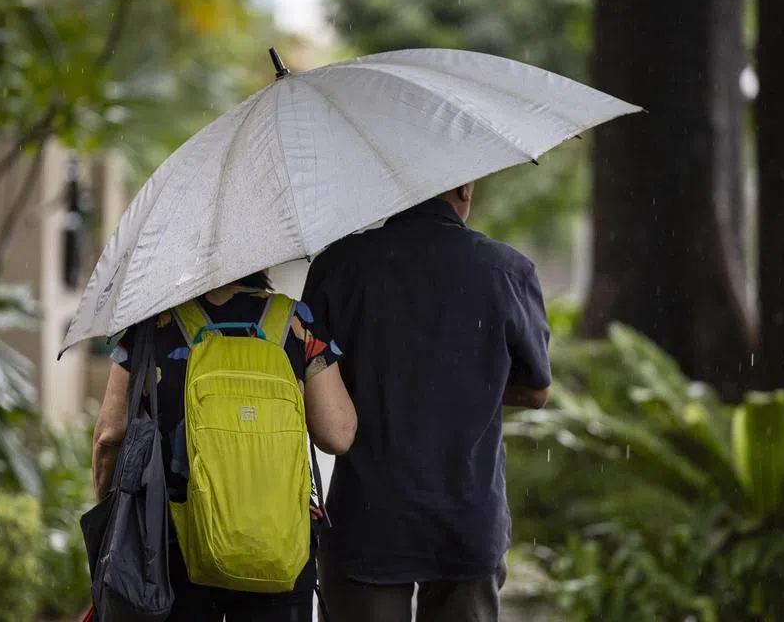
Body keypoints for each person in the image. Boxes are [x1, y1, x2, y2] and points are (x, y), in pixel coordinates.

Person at [302, 183, 551, 622]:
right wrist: (472, 381)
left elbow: (309, 381)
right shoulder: (507, 270)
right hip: (468, 515)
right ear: (463, 186)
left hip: (369, 517)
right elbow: (536, 390)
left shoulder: (341, 266)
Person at [92, 270, 357, 622]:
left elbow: (109, 434)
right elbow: (337, 433)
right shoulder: (294, 320)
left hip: (175, 549)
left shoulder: (151, 326)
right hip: (278, 546)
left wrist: (107, 508)